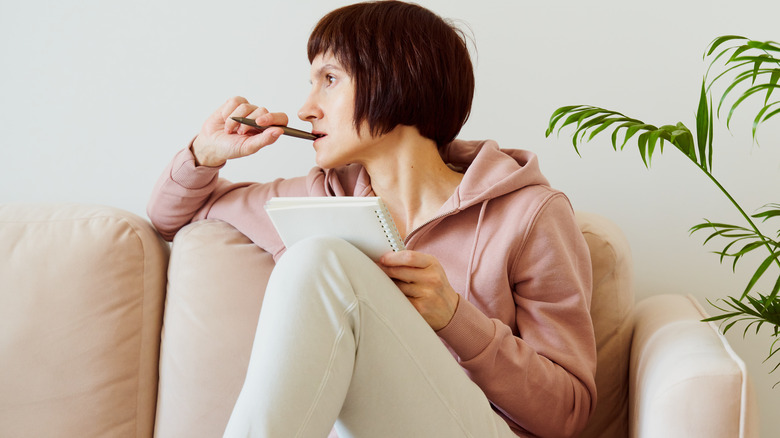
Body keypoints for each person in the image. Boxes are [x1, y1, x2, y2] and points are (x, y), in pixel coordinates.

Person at [147, 1, 597, 437]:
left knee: (320, 255)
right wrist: (204, 155)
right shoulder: (324, 193)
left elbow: (568, 414)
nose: (306, 108)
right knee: (319, 254)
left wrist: (455, 319)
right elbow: (172, 217)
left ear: (397, 79)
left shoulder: (529, 213)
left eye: (329, 79)